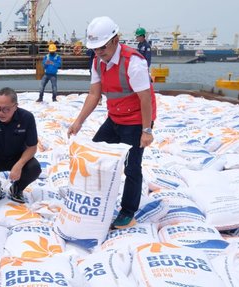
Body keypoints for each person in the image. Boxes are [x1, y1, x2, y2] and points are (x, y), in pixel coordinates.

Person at [67, 16, 156, 229]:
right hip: (115, 118)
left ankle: (127, 212)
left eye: (102, 47)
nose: (98, 52)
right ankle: (97, 200)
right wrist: (78, 121)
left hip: (136, 121)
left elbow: (145, 98)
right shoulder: (98, 62)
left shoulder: (133, 62)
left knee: (132, 166)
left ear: (115, 40)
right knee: (94, 155)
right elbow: (94, 94)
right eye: (94, 48)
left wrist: (146, 130)